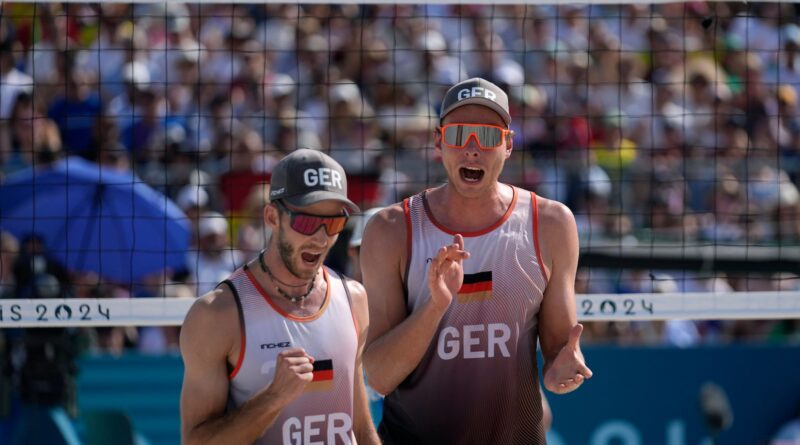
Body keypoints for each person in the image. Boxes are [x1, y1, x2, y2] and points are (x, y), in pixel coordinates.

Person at [361, 77, 592, 444]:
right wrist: (436, 307)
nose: (472, 149)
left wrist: (559, 370)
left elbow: (557, 351)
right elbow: (379, 377)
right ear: (439, 141)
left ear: (508, 145)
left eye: (486, 136)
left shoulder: (550, 224)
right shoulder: (391, 230)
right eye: (459, 135)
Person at [180, 148, 380, 445]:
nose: (322, 237)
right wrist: (274, 398)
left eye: (335, 223)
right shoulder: (217, 314)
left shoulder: (354, 298)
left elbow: (360, 430)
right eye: (308, 222)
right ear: (273, 217)